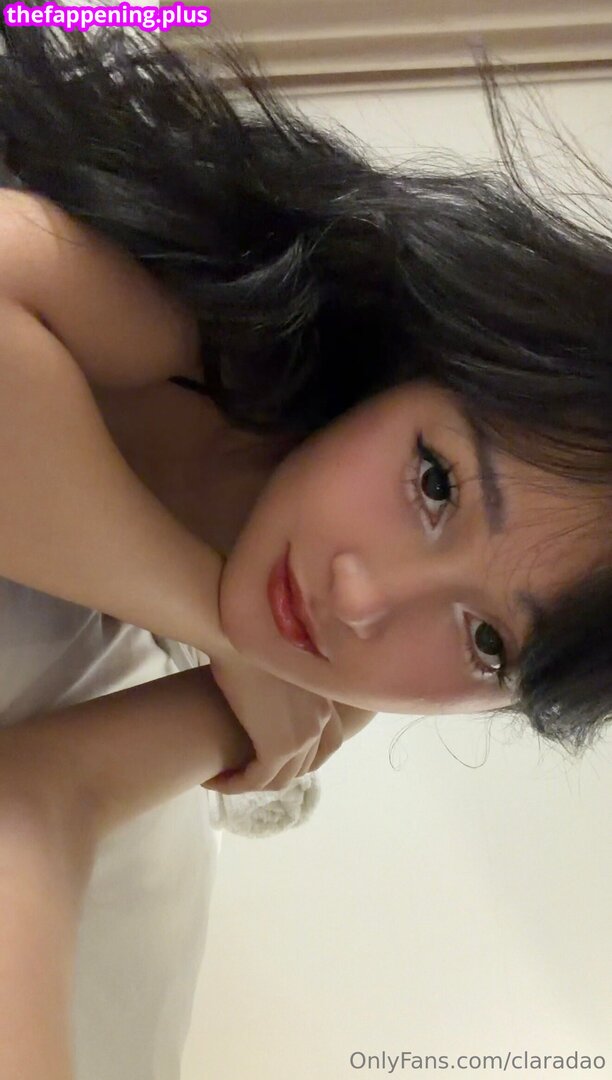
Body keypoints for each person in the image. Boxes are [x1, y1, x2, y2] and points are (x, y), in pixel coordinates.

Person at [0, 14, 609, 1079]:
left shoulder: (322, 683)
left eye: (486, 644)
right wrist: (212, 617)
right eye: (435, 483)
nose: (365, 598)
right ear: (416, 362)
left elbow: (41, 797)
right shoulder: (206, 331)